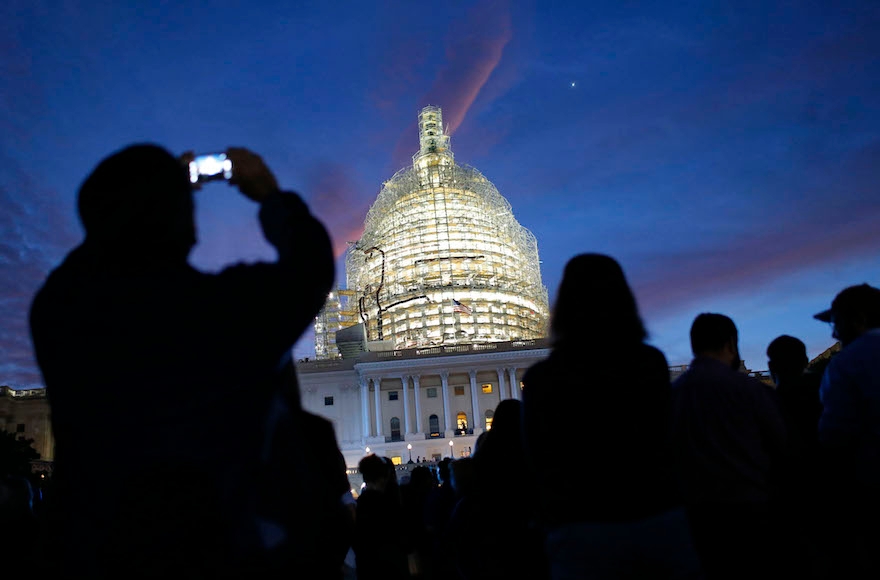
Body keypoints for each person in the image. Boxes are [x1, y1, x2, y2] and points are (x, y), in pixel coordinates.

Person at [28, 144, 335, 577]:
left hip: (95, 552)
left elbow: (80, 264)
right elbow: (311, 265)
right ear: (187, 227)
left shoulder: (57, 316)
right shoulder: (226, 311)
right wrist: (270, 195)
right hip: (213, 551)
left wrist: (143, 198)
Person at [522, 253, 701, 580]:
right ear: (625, 301)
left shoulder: (542, 378)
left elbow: (538, 461)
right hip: (657, 516)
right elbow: (673, 442)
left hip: (581, 527)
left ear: (562, 307)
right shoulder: (650, 364)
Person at [669, 313, 787, 579]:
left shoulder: (672, 396)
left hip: (694, 519)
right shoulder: (752, 390)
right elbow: (783, 449)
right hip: (751, 512)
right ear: (731, 344)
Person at [813, 283, 880, 578]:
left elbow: (834, 436)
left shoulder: (848, 362)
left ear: (859, 319)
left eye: (837, 323)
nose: (834, 334)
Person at [766, 335, 826, 578]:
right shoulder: (826, 388)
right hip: (829, 485)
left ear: (771, 367)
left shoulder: (766, 400)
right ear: (806, 360)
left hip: (785, 494)